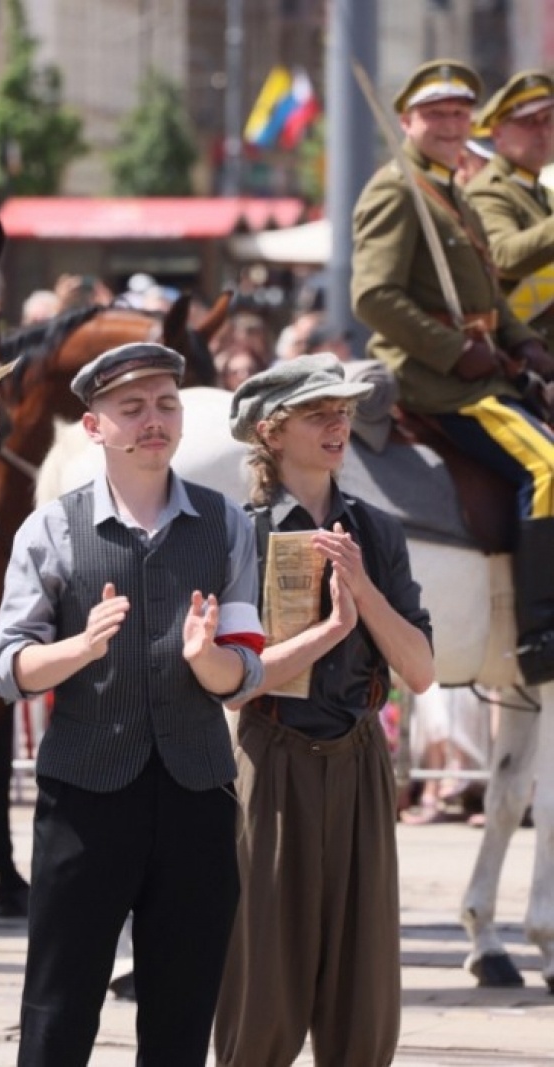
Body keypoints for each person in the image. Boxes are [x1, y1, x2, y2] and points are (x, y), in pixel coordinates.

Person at [0, 342, 266, 1067]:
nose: (154, 421)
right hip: (85, 799)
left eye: (166, 404)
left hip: (197, 795)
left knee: (181, 1014)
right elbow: (5, 664)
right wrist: (77, 649)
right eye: (132, 408)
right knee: (58, 1010)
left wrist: (211, 661)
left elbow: (247, 668)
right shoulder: (50, 527)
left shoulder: (228, 523)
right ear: (94, 426)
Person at [213, 355, 435, 1067]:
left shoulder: (378, 530)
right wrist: (331, 631)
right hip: (270, 759)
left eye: (343, 410)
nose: (339, 423)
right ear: (273, 434)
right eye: (319, 413)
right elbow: (235, 685)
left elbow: (422, 671)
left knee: (363, 995)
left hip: (360, 758)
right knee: (261, 990)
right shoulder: (238, 535)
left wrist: (361, 588)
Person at [353, 59, 554, 684]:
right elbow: (373, 295)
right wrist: (450, 350)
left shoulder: (453, 190)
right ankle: (542, 631)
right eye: (435, 114)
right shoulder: (395, 187)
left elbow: (490, 304)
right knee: (549, 467)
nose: (449, 124)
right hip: (435, 381)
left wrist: (531, 348)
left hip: (480, 372)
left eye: (458, 113)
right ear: (407, 121)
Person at [466, 71, 554, 344]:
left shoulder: (542, 193)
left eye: (548, 120)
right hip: (523, 350)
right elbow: (504, 257)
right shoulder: (488, 190)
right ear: (498, 134)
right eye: (528, 123)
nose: (542, 132)